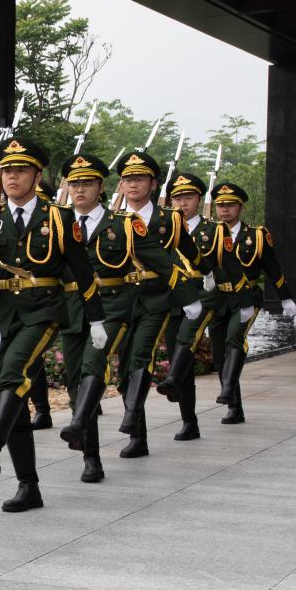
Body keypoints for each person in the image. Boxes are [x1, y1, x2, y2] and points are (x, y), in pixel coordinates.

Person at [0, 137, 102, 513]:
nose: (12, 177)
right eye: (7, 170)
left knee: (13, 372)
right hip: (2, 314)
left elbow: (83, 273)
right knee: (14, 393)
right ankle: (28, 486)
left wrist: (97, 319)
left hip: (43, 311)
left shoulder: (59, 218)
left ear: (37, 176)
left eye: (21, 170)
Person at [106, 150, 200, 458]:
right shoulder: (109, 219)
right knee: (124, 367)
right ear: (121, 185)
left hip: (158, 296)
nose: (133, 184)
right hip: (122, 298)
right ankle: (139, 437)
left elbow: (191, 254)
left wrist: (204, 279)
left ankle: (132, 417)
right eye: (127, 179)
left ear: (153, 184)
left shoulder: (169, 219)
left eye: (140, 179)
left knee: (141, 355)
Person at [55, 153, 133, 483]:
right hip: (73, 308)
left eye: (87, 183)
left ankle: (80, 432)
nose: (79, 189)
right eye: (74, 183)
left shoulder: (122, 224)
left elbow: (156, 260)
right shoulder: (57, 224)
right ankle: (91, 455)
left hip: (112, 306)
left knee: (93, 364)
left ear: (101, 187)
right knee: (75, 382)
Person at [205, 181, 296, 424]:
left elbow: (272, 268)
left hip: (247, 297)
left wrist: (286, 297)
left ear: (240, 207)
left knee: (234, 337)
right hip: (218, 298)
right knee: (218, 354)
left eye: (230, 205)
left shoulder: (256, 235)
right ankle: (234, 408)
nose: (225, 209)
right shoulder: (208, 234)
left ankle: (227, 389)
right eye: (221, 205)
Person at [154, 172, 218, 441]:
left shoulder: (214, 230)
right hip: (173, 299)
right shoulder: (163, 227)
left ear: (199, 199)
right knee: (181, 357)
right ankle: (189, 421)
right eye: (177, 198)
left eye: (188, 197)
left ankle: (172, 380)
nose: (182, 203)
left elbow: (222, 267)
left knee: (186, 341)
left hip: (202, 296)